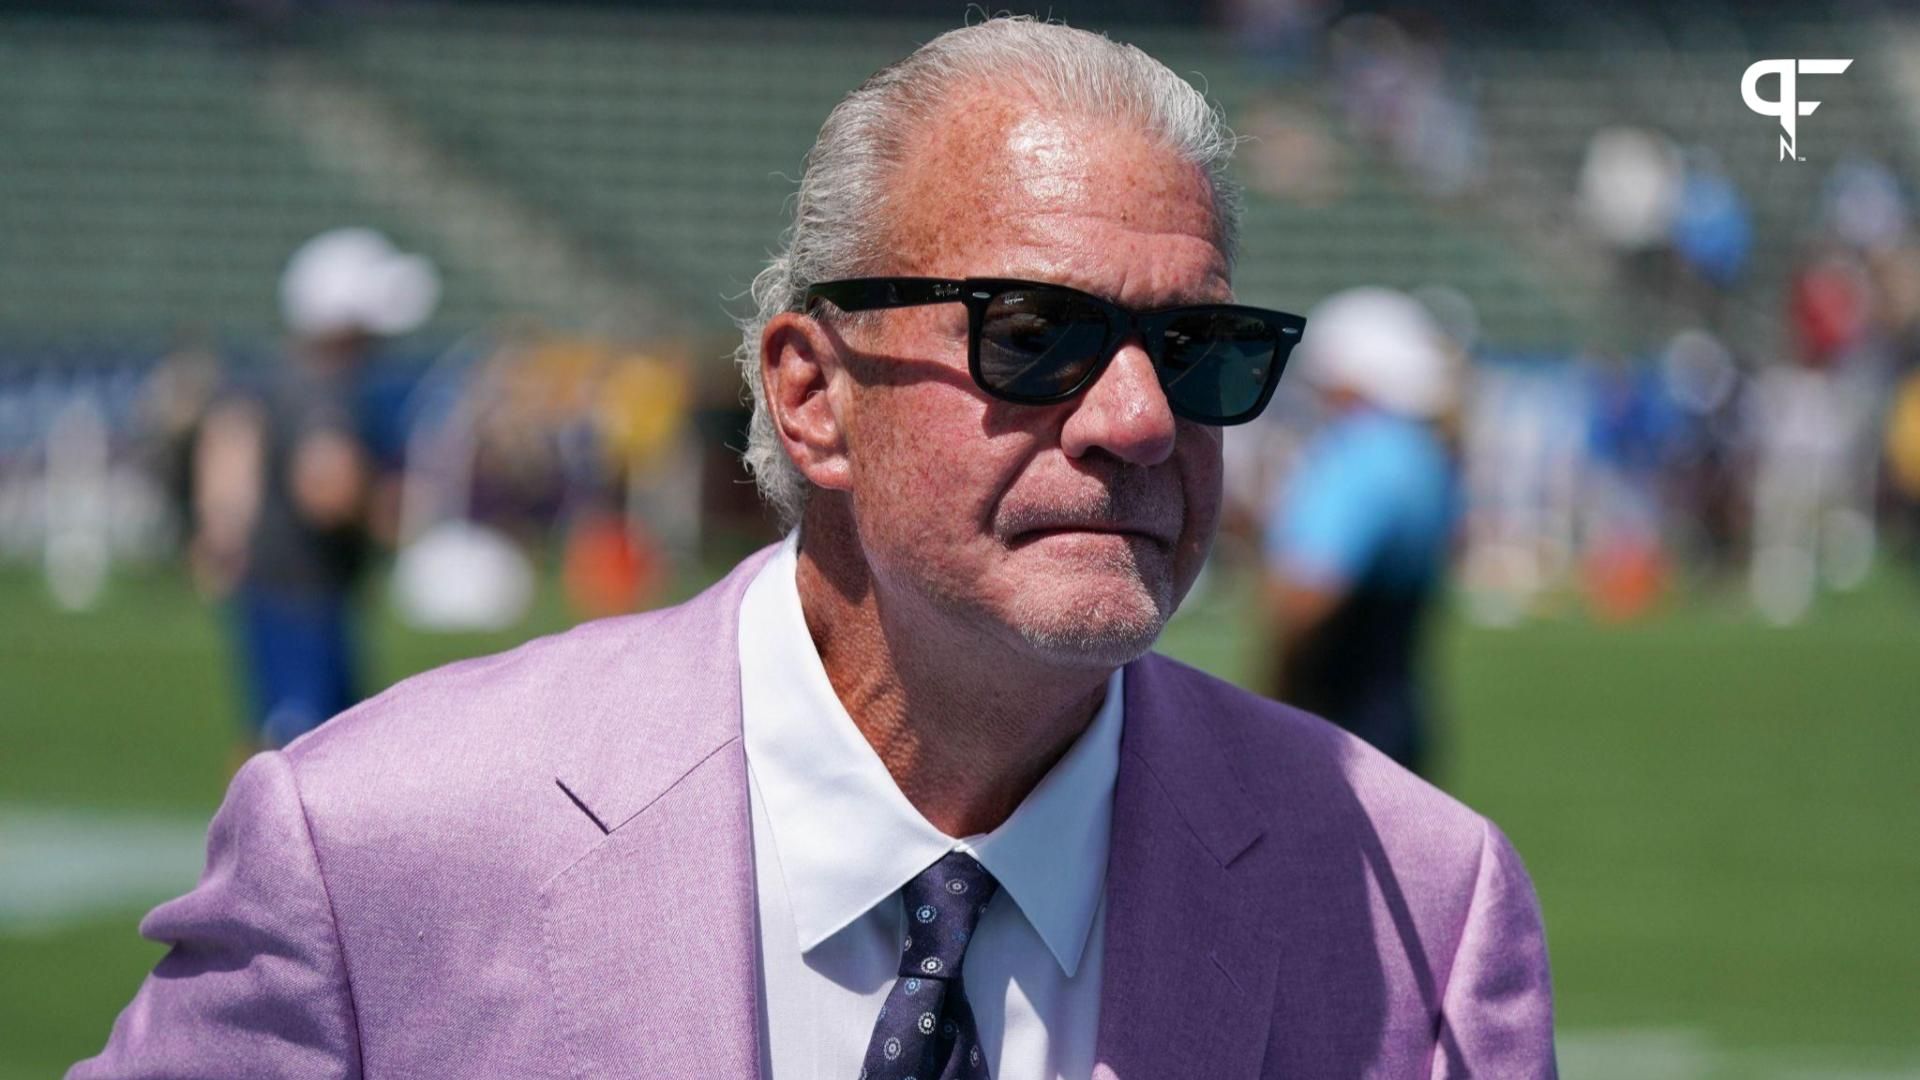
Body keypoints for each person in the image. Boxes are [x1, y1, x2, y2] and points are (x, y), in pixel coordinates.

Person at [74, 19, 1553, 1079]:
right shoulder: (373, 853)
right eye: (1035, 336)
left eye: (1200, 347)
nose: (1140, 418)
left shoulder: (1418, 903)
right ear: (809, 395)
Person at [191, 228, 438, 752]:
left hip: (283, 587)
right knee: (302, 749)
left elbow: (227, 445)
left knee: (288, 740)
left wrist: (223, 531)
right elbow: (325, 486)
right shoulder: (325, 390)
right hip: (303, 594)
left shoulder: (278, 378)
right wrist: (387, 512)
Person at [1263, 287, 1461, 776]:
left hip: (1339, 727)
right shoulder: (1425, 455)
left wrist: (1269, 694)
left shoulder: (1359, 455)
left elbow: (1310, 590)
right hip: (1398, 715)